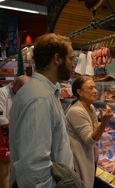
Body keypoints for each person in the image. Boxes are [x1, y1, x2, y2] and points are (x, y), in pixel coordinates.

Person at [9, 33, 77, 187]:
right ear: (57, 59)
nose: (73, 65)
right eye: (71, 59)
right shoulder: (39, 98)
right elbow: (34, 167)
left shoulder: (46, 92)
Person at [66, 76, 113, 188]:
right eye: (90, 88)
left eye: (95, 87)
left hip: (89, 157)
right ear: (80, 92)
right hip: (79, 161)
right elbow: (89, 140)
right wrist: (104, 122)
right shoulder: (76, 111)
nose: (95, 91)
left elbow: (94, 129)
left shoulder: (90, 107)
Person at [0, 75, 30, 188]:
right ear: (14, 84)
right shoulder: (2, 93)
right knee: (5, 175)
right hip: (4, 139)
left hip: (18, 140)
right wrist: (15, 129)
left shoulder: (25, 96)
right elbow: (1, 118)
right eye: (22, 89)